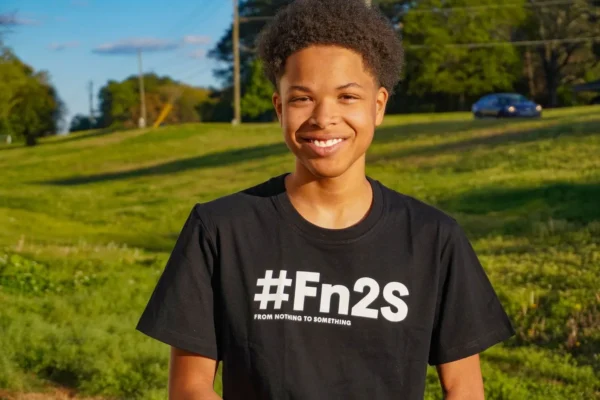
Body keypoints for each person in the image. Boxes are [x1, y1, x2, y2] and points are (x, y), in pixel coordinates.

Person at [136, 0, 515, 398]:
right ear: (279, 108)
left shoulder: (433, 239)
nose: (323, 117)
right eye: (302, 98)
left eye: (347, 97)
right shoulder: (219, 230)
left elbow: (465, 390)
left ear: (379, 105)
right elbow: (189, 388)